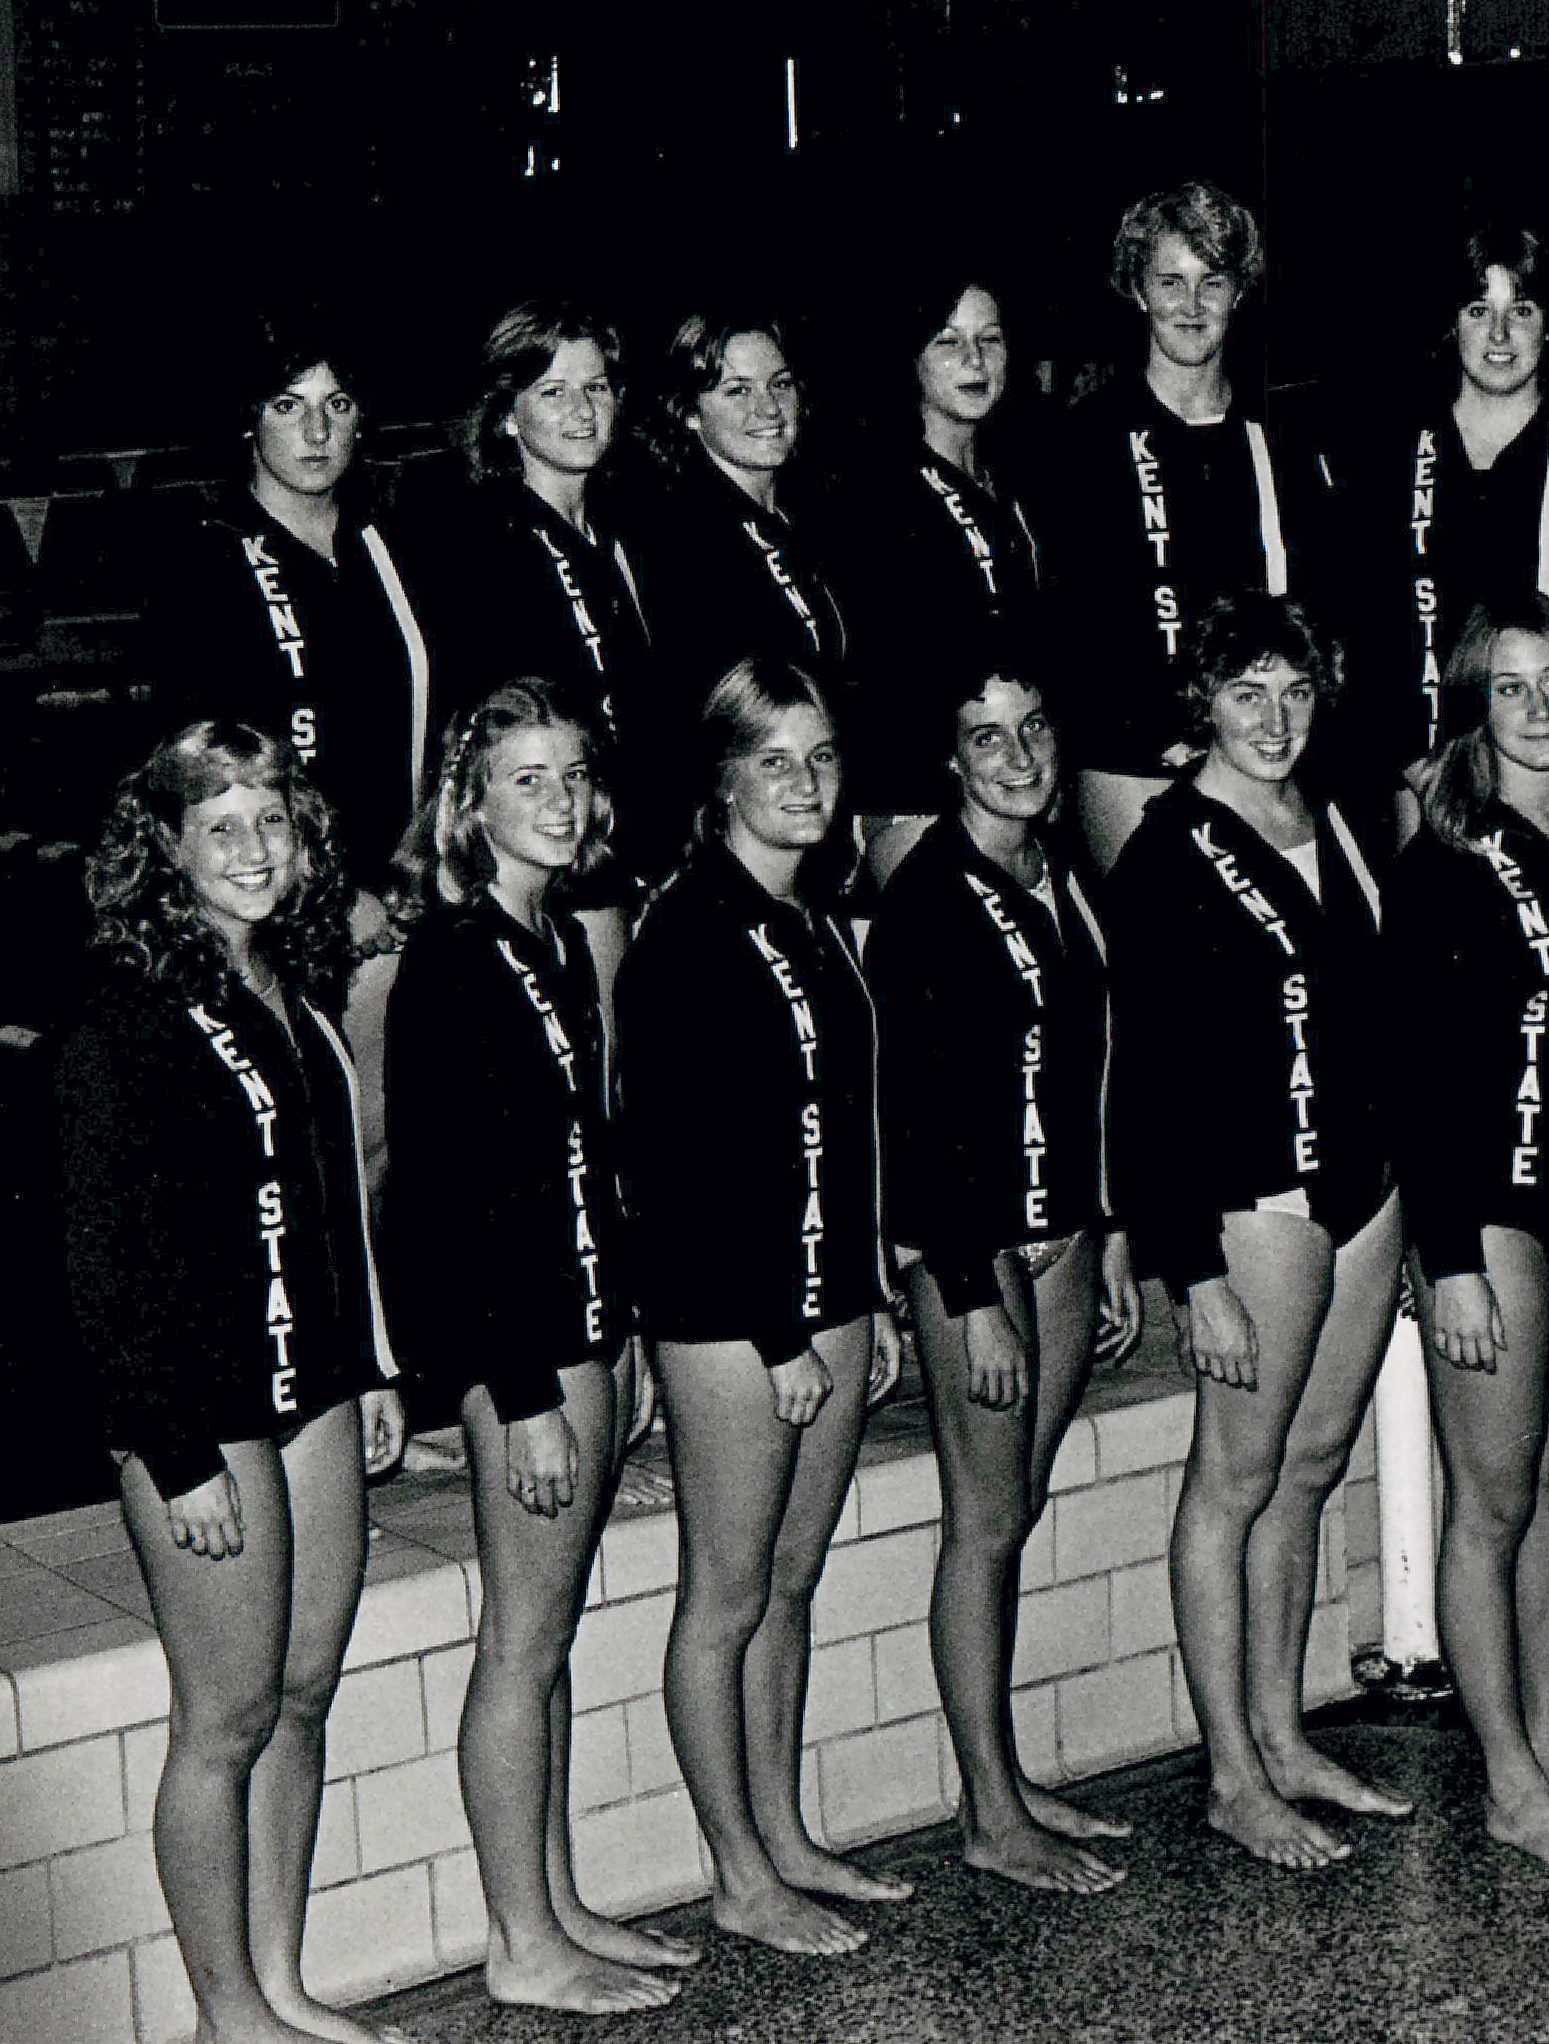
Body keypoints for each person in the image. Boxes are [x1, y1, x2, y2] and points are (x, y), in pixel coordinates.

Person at [54, 721, 409, 2044]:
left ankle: (278, 1979)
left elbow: (329, 1210)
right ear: (166, 847)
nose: (255, 849)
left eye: (273, 820)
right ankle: (225, 2015)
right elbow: (101, 1260)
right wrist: (176, 1449)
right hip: (201, 1410)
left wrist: (371, 1367)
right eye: (221, 826)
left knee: (302, 1691)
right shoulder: (128, 1011)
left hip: (312, 1381)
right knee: (226, 1716)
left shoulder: (293, 987)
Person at [381, 683, 696, 2013]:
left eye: (573, 775)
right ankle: (520, 1941)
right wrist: (521, 1395)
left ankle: (555, 1901)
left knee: (547, 1638)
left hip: (582, 1323)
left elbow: (585, 1161)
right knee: (518, 1643)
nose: (561, 801)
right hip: (524, 1345)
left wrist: (624, 1335)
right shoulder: (453, 958)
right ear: (471, 803)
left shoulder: (553, 937)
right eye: (528, 779)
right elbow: (447, 1201)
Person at [1107, 593, 1410, 1867]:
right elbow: (1143, 1079)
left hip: (1360, 1186)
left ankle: (1283, 1736)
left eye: (1293, 691)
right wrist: (1193, 1273)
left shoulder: (1329, 813)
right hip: (1253, 1195)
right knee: (1230, 1482)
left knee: (1311, 1461)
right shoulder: (1166, 850)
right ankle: (1230, 1772)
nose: (1274, 719)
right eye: (1246, 695)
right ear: (1203, 706)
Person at [616, 657, 907, 1954]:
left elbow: (835, 1131)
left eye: (821, 757)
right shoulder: (686, 929)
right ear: (724, 776)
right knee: (726, 1596)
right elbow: (682, 1166)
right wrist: (782, 1333)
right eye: (773, 759)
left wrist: (867, 1292)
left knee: (791, 1579)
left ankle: (783, 1835)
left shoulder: (807, 917)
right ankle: (736, 1872)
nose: (803, 782)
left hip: (823, 1289)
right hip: (733, 1315)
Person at [1392, 593, 1549, 1872]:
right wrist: (1444, 1260)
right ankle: (1502, 1777)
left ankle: (1547, 1746)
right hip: (1487, 1206)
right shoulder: (1443, 853)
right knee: (1489, 1505)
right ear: (1471, 708)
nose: (1538, 707)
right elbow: (1415, 1077)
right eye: (1509, 687)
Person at [878, 662, 1141, 1892]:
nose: (1018, 754)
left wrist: (1112, 1230)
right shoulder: (929, 896)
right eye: (985, 736)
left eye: (1032, 726)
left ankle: (1004, 1777)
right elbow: (915, 1116)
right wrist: (969, 1294)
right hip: (975, 1249)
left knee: (1013, 1508)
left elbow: (1092, 1064)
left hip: (1065, 1233)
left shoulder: (1059, 869)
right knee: (982, 1524)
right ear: (949, 759)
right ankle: (987, 1808)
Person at [1043, 182, 1329, 871]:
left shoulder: (1280, 440)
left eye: (1212, 282)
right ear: (1138, 291)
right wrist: (1159, 733)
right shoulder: (1088, 439)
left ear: (1239, 292)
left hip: (1263, 748)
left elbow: (1316, 611)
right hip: (1135, 764)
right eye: (1171, 282)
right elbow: (1074, 627)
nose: (1192, 305)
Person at [1339, 224, 1549, 838]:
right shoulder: (1394, 455)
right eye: (1479, 310)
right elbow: (1369, 625)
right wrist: (1416, 770)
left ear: (1548, 326)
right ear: (1453, 325)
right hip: (1424, 785)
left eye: (1520, 311)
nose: (1499, 335)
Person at [148, 318, 436, 897]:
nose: (317, 430)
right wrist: (328, 891)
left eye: (337, 404)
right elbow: (204, 766)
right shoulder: (207, 562)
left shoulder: (397, 547)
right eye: (288, 406)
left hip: (413, 879)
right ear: (249, 421)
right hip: (282, 887)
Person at [624, 315, 855, 865]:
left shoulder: (811, 513)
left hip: (814, 815)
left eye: (780, 383)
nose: (768, 408)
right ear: (688, 411)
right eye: (737, 391)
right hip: (735, 836)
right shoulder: (679, 533)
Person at [429, 305, 653, 773]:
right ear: (507, 416)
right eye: (554, 392)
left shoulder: (629, 533)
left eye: (596, 388)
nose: (583, 411)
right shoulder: (484, 548)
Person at [874, 270, 1042, 885]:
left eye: (989, 339)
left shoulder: (1013, 475)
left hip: (1012, 778)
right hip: (925, 793)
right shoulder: (885, 490)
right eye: (949, 342)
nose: (974, 361)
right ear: (912, 357)